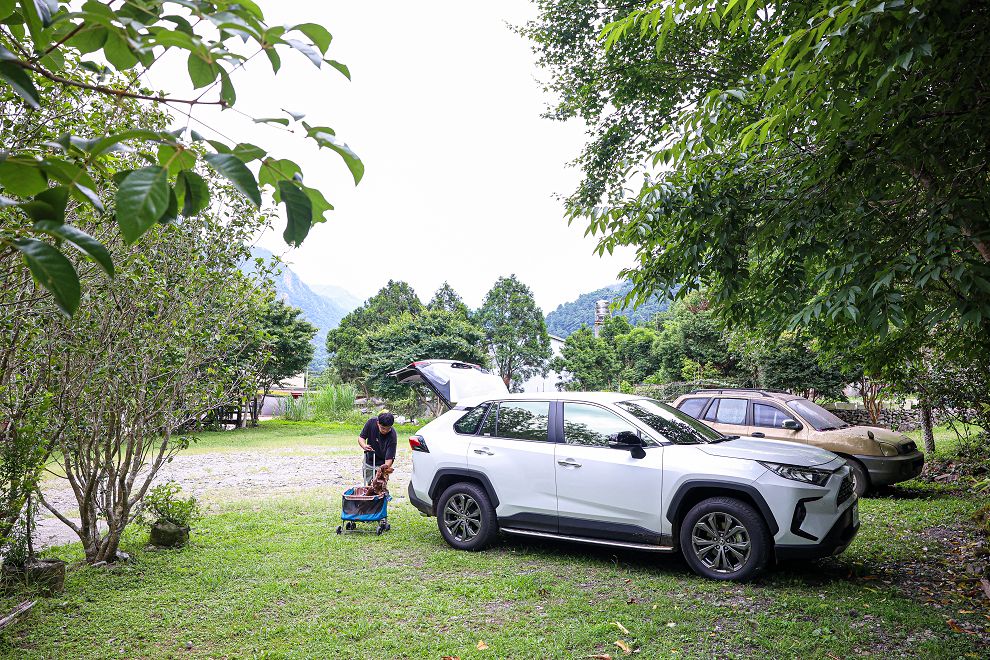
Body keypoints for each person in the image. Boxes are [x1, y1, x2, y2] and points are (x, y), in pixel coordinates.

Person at [358, 412, 397, 485]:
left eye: (387, 429)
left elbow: (389, 458)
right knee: (370, 485)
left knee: (380, 485)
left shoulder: (392, 436)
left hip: (382, 463)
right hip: (369, 461)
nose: (385, 431)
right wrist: (364, 446)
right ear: (378, 423)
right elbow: (361, 437)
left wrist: (383, 471)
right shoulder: (371, 423)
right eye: (383, 428)